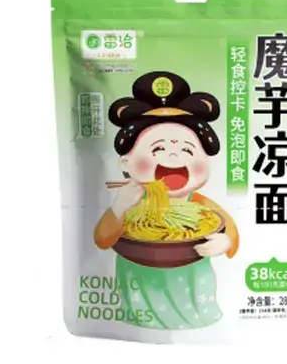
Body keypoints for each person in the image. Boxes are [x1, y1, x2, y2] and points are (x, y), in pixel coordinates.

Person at [94, 71, 239, 330]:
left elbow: (229, 229)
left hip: (192, 285)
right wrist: (119, 208)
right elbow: (103, 239)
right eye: (158, 149)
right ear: (125, 162)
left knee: (197, 322)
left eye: (187, 150)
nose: (173, 157)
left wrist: (225, 242)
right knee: (136, 322)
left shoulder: (202, 207)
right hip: (138, 284)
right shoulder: (130, 200)